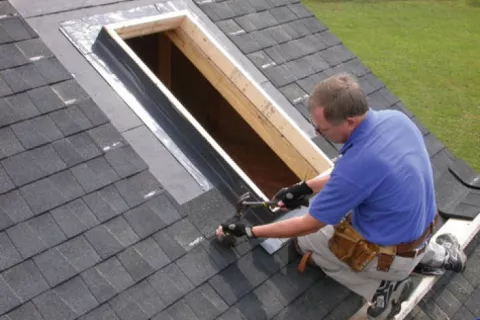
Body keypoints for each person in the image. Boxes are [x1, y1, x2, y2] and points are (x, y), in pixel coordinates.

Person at [216, 73, 467, 320]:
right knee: (364, 209)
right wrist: (304, 188)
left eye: (322, 129)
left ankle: (386, 289)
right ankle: (439, 256)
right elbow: (357, 175)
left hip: (391, 257)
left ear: (350, 121)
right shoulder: (395, 120)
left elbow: (310, 223)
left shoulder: (357, 167)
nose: (318, 132)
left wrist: (251, 231)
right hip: (422, 229)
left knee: (304, 245)